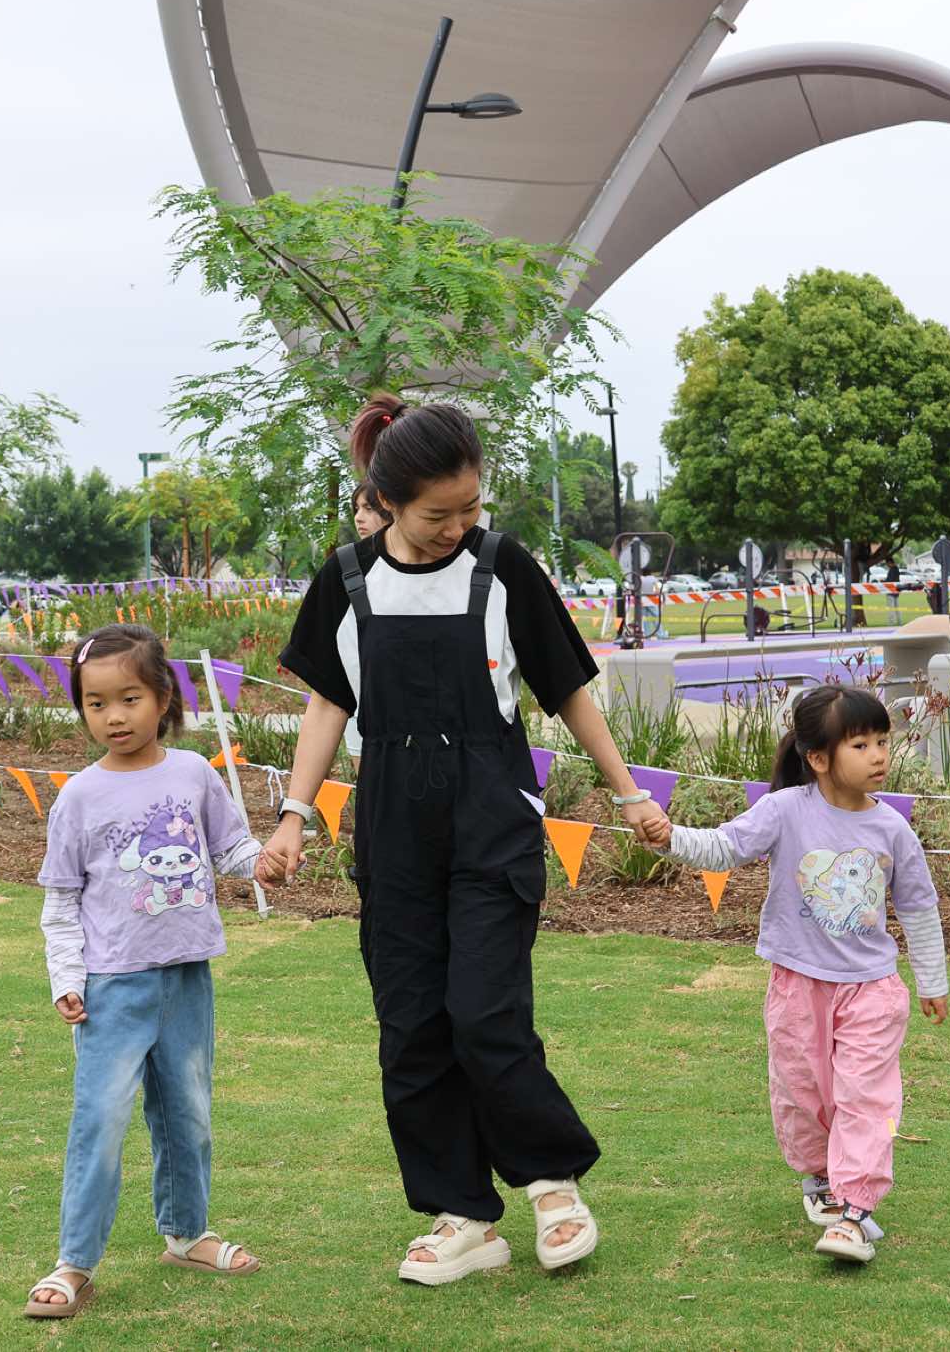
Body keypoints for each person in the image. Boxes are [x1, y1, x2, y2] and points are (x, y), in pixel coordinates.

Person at [267, 391, 668, 1286]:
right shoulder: (346, 578)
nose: (457, 527)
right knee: (411, 1026)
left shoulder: (502, 566)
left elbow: (566, 689)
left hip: (491, 813)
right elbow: (328, 704)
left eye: (470, 507)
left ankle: (552, 1183)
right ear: (387, 502)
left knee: (486, 1012)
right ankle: (464, 1217)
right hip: (393, 822)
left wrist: (629, 792)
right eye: (436, 515)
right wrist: (294, 814)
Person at [644, 686, 948, 1265]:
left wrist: (932, 980)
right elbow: (725, 848)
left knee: (864, 1097)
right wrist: (670, 837)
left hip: (871, 989)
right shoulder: (785, 810)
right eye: (861, 744)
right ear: (818, 757)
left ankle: (855, 1212)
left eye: (882, 742)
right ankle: (820, 1177)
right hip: (797, 985)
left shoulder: (893, 830)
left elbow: (918, 907)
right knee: (802, 1094)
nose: (879, 755)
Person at [25, 623, 278, 1318]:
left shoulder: (193, 773)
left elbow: (230, 847)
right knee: (100, 1121)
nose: (114, 716)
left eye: (129, 698)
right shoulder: (79, 796)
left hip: (187, 980)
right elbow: (60, 901)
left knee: (188, 1114)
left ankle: (187, 1234)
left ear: (164, 697)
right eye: (95, 702)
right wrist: (66, 978)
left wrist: (263, 861)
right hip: (111, 988)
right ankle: (75, 1262)